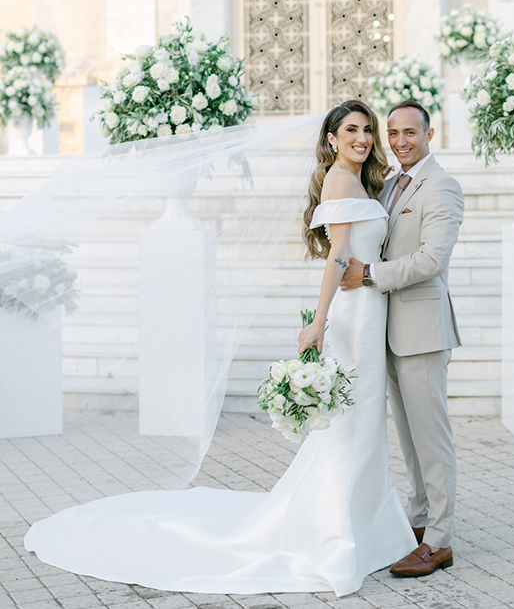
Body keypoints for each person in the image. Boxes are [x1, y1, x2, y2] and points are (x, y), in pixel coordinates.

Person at [24, 99, 415, 597]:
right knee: (349, 424)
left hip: (370, 311)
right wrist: (318, 322)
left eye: (367, 130)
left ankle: (365, 525)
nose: (361, 138)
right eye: (351, 130)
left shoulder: (363, 181)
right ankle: (336, 532)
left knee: (361, 423)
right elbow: (338, 255)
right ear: (332, 138)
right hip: (352, 316)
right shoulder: (340, 180)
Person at [341, 100, 463, 578]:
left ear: (429, 134)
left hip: (423, 332)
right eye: (392, 133)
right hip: (388, 332)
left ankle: (440, 540)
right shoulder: (390, 184)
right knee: (410, 442)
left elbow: (433, 259)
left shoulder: (443, 186)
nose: (400, 141)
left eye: (409, 132)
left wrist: (370, 273)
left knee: (432, 440)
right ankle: (418, 522)